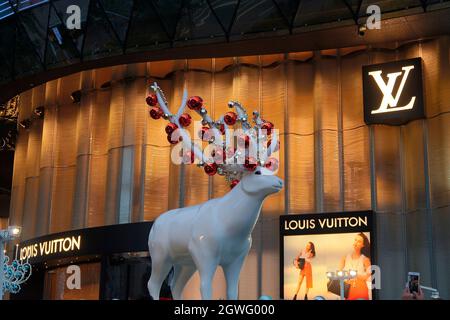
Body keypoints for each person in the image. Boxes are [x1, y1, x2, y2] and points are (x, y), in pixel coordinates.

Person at [339, 233, 371, 300]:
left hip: (361, 290)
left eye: (359, 241)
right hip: (348, 290)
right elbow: (339, 274)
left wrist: (355, 274)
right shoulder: (344, 258)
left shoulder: (365, 259)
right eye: (355, 240)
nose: (356, 242)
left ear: (363, 245)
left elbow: (367, 277)